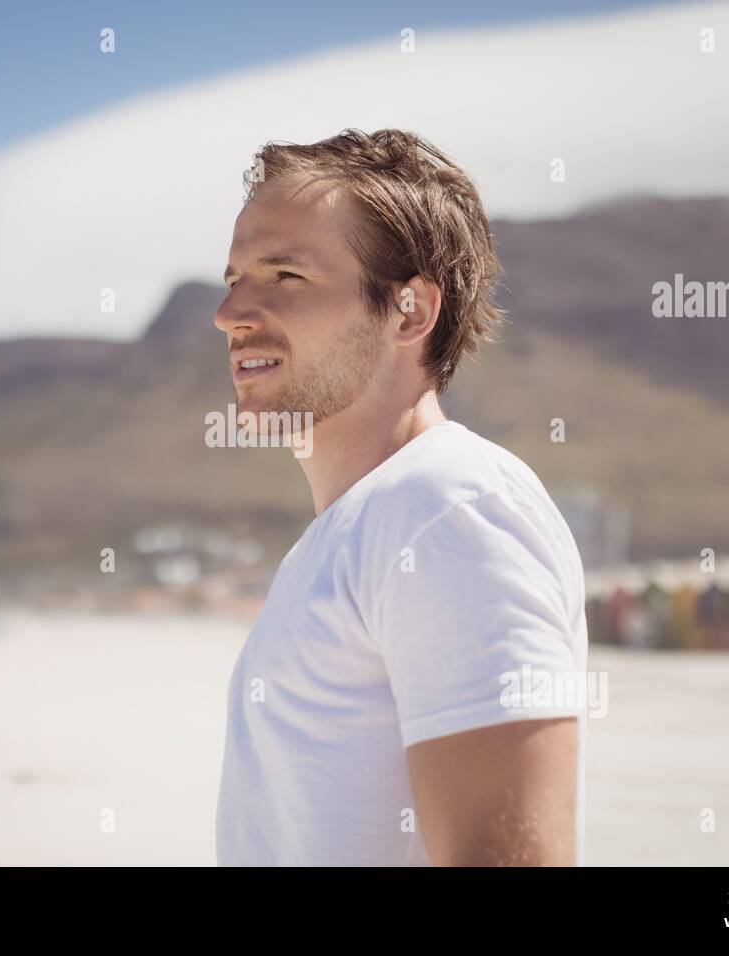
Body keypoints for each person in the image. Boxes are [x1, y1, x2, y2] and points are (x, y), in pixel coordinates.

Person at [213, 129, 588, 866]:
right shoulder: (357, 527)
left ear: (409, 313)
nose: (231, 314)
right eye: (233, 279)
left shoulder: (445, 507)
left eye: (285, 275)